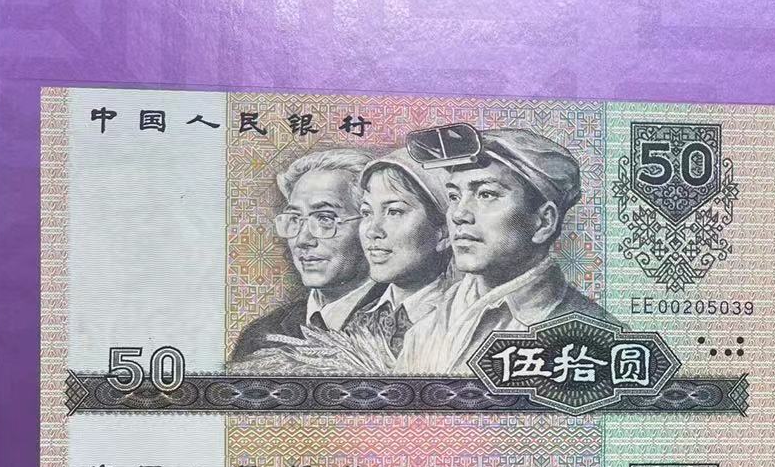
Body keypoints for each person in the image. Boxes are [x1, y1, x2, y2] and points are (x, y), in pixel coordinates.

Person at [398, 125, 618, 373]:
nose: (459, 214)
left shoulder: (596, 338)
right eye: (454, 196)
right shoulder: (427, 326)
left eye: (486, 194)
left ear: (544, 222)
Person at [231, 148, 378, 362]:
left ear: (369, 224)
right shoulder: (261, 336)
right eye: (294, 219)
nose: (302, 240)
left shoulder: (403, 326)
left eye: (325, 218)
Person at [348, 149, 454, 356]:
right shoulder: (359, 319)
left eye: (394, 212)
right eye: (366, 212)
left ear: (443, 233)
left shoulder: (458, 320)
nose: (372, 231)